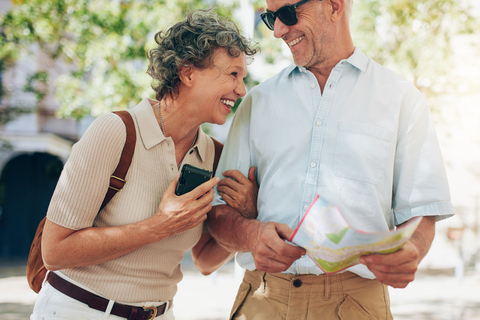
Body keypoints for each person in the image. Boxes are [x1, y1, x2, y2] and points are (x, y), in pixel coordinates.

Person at [208, 0, 455, 319]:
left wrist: (412, 251)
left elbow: (422, 214)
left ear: (334, 6)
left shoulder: (402, 100)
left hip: (356, 304)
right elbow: (218, 213)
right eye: (271, 19)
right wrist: (250, 235)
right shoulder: (258, 101)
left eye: (287, 14)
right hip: (262, 301)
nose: (279, 30)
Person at [31, 9, 258, 320]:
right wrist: (157, 227)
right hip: (79, 311)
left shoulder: (214, 155)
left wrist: (247, 215)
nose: (241, 90)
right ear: (187, 72)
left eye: (243, 78)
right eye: (233, 74)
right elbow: (54, 252)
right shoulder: (116, 132)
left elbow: (205, 261)